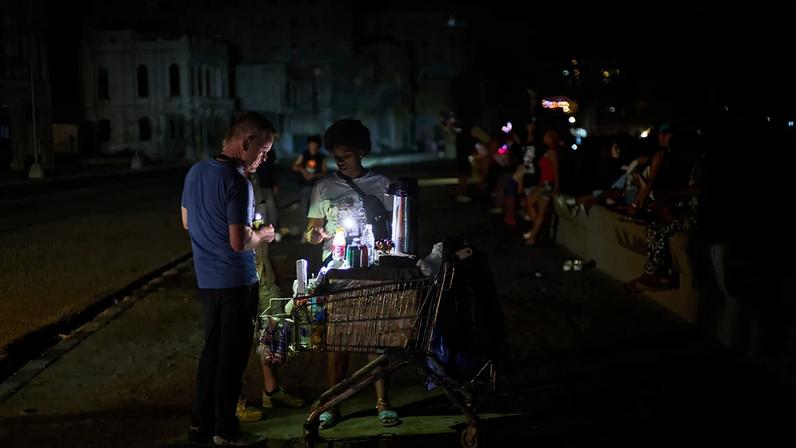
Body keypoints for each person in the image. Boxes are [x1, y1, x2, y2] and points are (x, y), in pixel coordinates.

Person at [181, 112, 276, 446]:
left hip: (207, 281)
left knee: (211, 354)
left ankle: (200, 426)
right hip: (236, 282)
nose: (263, 159)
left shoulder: (195, 172)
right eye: (262, 151)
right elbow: (239, 243)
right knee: (231, 359)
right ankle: (226, 431)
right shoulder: (238, 182)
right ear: (246, 143)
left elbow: (187, 223)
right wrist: (262, 234)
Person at [304, 119, 398, 428]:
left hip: (374, 272)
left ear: (361, 151)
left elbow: (397, 233)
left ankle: (383, 402)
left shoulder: (383, 185)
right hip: (337, 273)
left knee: (376, 338)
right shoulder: (323, 187)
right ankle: (333, 402)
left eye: (345, 153)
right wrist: (316, 237)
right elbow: (312, 231)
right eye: (335, 155)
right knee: (338, 340)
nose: (339, 160)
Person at [523, 129, 560, 245]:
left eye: (546, 136)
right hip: (543, 183)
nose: (544, 138)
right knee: (529, 203)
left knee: (540, 212)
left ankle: (533, 237)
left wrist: (556, 186)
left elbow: (556, 170)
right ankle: (534, 231)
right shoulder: (546, 152)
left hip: (548, 184)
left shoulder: (551, 152)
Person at [292, 134, 327, 235]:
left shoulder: (321, 157)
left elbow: (324, 172)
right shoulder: (304, 155)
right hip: (305, 186)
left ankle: (317, 231)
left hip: (317, 187)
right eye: (311, 145)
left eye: (315, 145)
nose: (313, 147)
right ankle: (304, 231)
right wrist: (303, 170)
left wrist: (315, 175)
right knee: (304, 209)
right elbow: (294, 166)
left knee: (317, 210)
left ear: (318, 146)